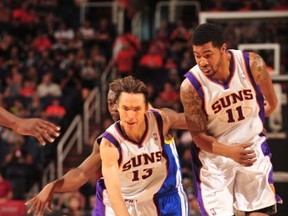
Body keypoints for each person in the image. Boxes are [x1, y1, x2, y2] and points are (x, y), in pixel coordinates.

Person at [26, 76, 189, 216]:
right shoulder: (107, 141)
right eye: (109, 103)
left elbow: (196, 123)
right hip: (120, 200)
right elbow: (81, 173)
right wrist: (53, 185)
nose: (112, 109)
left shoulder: (160, 120)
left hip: (161, 194)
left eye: (114, 103)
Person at [179, 23, 282, 216]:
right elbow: (199, 136)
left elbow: (271, 104)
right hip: (214, 157)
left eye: (208, 54)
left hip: (250, 149)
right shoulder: (190, 87)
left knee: (261, 211)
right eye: (197, 55)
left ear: (223, 48)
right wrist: (229, 151)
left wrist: (251, 123)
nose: (202, 62)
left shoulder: (252, 64)